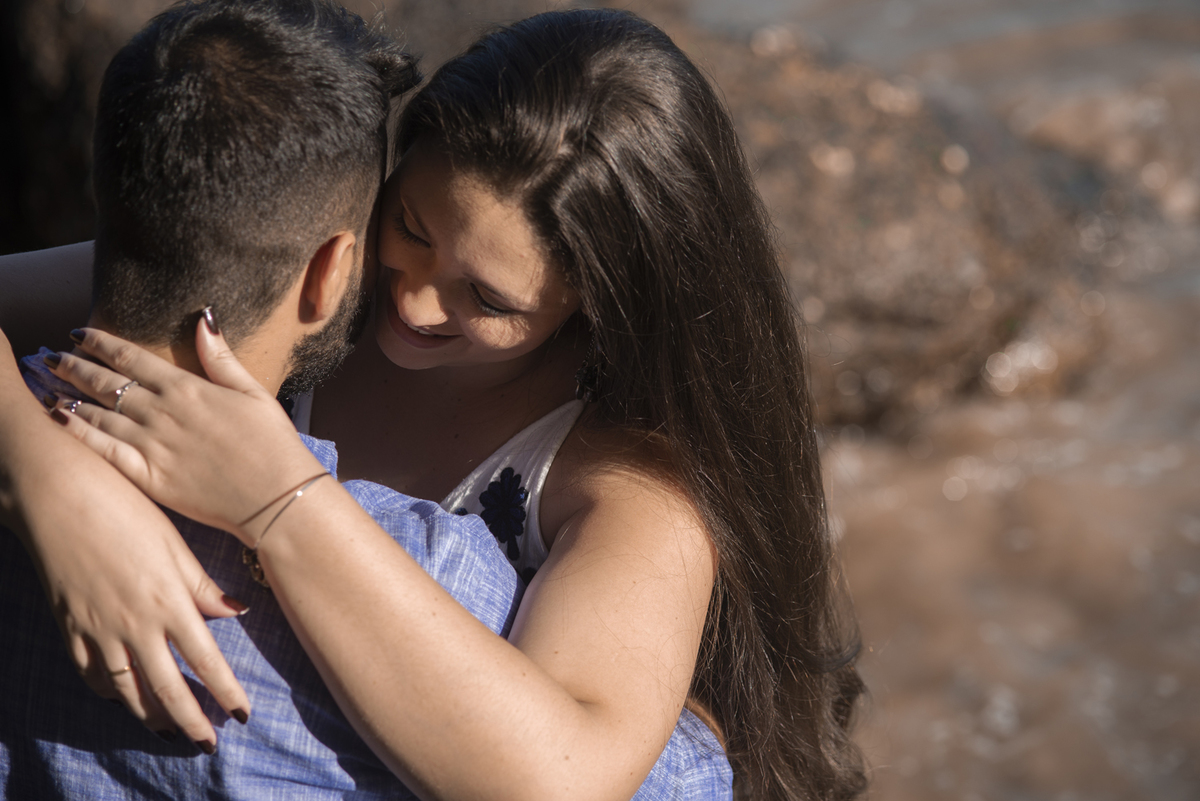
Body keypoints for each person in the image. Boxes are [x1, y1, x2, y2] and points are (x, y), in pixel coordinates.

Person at [1, 7, 864, 800]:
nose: (413, 302)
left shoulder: (626, 477)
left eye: (488, 301)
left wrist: (279, 501)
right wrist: (48, 480)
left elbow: (565, 776)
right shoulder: (310, 279)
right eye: (411, 228)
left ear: (597, 304)